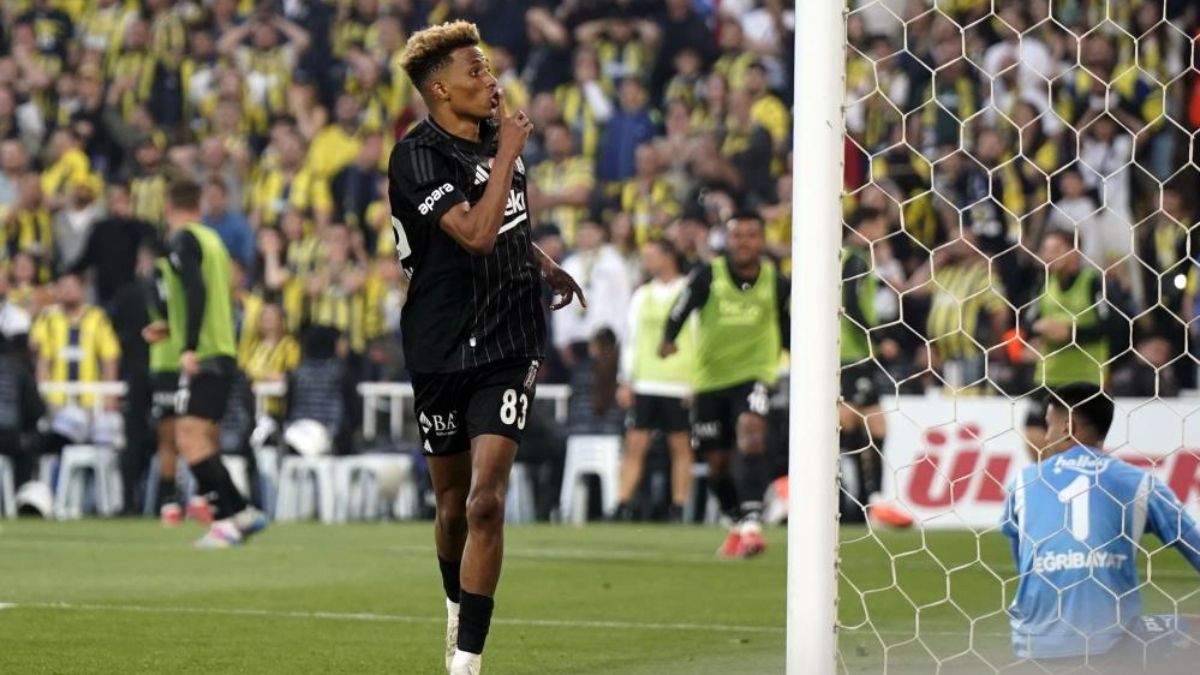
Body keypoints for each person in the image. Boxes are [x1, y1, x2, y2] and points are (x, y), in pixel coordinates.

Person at [389, 21, 585, 675]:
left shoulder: (499, 142)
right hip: (438, 342)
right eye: (475, 71)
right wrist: (506, 156)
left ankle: (466, 661)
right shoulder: (416, 157)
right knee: (449, 506)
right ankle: (456, 605)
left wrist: (542, 263)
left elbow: (504, 227)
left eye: (490, 68)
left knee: (485, 501)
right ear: (441, 89)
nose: (491, 81)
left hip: (509, 337)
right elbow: (473, 234)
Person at [1002, 383, 1200, 671]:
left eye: (1049, 426)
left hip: (1034, 644)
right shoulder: (1139, 482)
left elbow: (1026, 569)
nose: (1045, 437)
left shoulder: (1022, 482)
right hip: (1111, 643)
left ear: (1067, 427)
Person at [144, 178, 266, 548]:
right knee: (202, 438)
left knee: (188, 437)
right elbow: (211, 295)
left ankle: (224, 521)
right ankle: (241, 512)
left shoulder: (183, 240)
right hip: (222, 348)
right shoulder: (213, 240)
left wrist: (189, 345)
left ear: (168, 208)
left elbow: (195, 289)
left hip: (206, 353)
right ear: (199, 206)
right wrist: (173, 327)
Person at [660, 212, 788, 558]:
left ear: (762, 240)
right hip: (710, 380)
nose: (743, 242)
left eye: (750, 235)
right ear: (727, 240)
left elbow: (787, 324)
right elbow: (681, 307)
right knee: (716, 462)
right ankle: (736, 524)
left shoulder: (777, 282)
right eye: (737, 235)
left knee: (751, 430)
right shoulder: (708, 275)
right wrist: (668, 339)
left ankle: (752, 521)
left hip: (755, 374)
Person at [615, 239, 695, 522]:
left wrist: (697, 381)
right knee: (635, 443)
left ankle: (679, 506)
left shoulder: (689, 290)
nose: (646, 261)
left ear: (669, 256)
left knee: (680, 445)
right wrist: (626, 380)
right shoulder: (642, 294)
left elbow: (699, 336)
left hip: (680, 381)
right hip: (646, 380)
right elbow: (631, 339)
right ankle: (622, 503)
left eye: (651, 255)